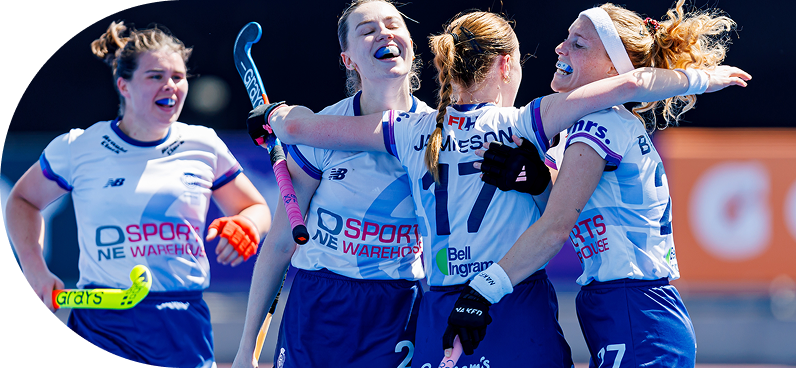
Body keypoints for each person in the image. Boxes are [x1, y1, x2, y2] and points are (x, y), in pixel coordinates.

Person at [248, 9, 748, 367]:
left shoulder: (408, 128)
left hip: (450, 304)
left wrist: (274, 116)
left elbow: (303, 130)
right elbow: (633, 89)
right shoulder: (530, 123)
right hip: (523, 304)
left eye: (577, 41)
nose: (559, 48)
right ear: (507, 64)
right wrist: (702, 78)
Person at [458, 1, 751, 367]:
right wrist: (538, 181)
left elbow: (555, 229)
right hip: (620, 305)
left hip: (634, 307)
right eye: (566, 39)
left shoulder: (602, 123)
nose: (560, 48)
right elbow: (570, 206)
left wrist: (482, 290)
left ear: (614, 67)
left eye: (579, 44)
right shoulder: (591, 125)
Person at [6, 21, 272, 368]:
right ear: (123, 86)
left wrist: (248, 226)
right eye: (155, 76)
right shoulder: (79, 146)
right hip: (101, 324)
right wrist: (34, 269)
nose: (171, 85)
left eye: (178, 76)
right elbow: (22, 201)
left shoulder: (203, 144)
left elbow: (255, 207)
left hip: (182, 324)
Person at [231, 1, 432, 367]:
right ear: (348, 60)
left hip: (399, 307)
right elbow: (278, 244)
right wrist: (247, 346)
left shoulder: (436, 134)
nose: (384, 33)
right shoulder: (321, 130)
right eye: (367, 30)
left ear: (411, 44)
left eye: (392, 24)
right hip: (319, 304)